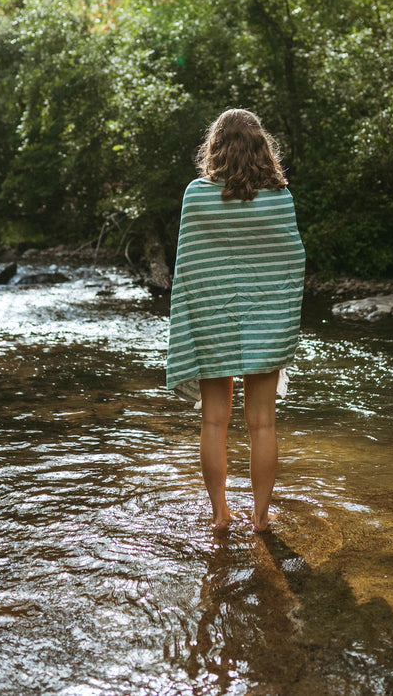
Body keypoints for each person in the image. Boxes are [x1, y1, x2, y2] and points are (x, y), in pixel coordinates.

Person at [166, 109, 305, 532]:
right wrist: (277, 312)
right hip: (266, 321)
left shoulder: (197, 194)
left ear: (216, 147)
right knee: (262, 424)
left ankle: (220, 515)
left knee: (213, 420)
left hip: (212, 321)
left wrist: (194, 315)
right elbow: (294, 261)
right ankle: (261, 520)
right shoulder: (280, 197)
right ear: (263, 148)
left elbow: (188, 266)